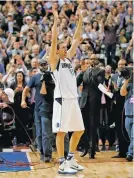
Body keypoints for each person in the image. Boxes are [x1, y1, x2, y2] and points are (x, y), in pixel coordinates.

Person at [49, 5, 84, 174]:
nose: (65, 47)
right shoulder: (54, 61)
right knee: (61, 132)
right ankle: (62, 162)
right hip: (62, 100)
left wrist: (81, 20)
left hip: (73, 99)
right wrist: (55, 21)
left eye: (65, 46)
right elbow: (54, 40)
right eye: (63, 46)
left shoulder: (68, 59)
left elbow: (77, 38)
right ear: (57, 50)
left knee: (79, 130)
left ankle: (70, 158)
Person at [21, 59, 55, 162]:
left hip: (49, 106)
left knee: (46, 132)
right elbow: (26, 89)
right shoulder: (35, 77)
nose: (43, 66)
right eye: (42, 64)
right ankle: (42, 152)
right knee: (40, 132)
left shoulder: (52, 76)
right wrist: (23, 100)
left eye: (45, 64)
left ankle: (47, 154)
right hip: (37, 107)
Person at [120, 73, 133, 161]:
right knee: (130, 136)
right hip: (128, 114)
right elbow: (122, 93)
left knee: (133, 137)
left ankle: (130, 154)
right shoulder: (129, 84)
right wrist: (126, 82)